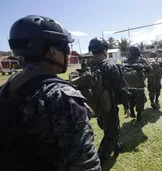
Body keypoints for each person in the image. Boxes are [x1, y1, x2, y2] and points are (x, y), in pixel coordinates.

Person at [0, 15, 101, 170]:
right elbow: (86, 165)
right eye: (67, 48)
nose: (68, 53)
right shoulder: (62, 96)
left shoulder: (9, 85)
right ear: (53, 52)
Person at [88, 37, 131, 166]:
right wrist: (127, 105)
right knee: (111, 133)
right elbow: (121, 87)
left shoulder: (89, 65)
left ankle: (117, 146)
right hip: (109, 105)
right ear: (104, 49)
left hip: (95, 105)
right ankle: (100, 161)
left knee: (110, 126)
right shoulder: (110, 65)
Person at [123, 46, 152, 121]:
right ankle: (139, 114)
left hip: (128, 86)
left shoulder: (125, 62)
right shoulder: (141, 61)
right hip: (139, 86)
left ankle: (132, 111)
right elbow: (150, 69)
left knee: (130, 99)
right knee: (140, 101)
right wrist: (145, 61)